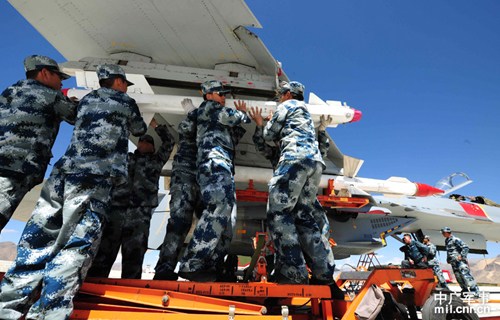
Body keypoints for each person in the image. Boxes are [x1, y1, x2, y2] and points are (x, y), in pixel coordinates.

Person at [0, 64, 146, 319]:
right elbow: (140, 129)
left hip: (62, 174)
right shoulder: (124, 101)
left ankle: (6, 309)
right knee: (77, 245)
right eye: (124, 82)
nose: (125, 87)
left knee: (37, 240)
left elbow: (75, 116)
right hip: (95, 178)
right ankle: (49, 313)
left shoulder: (87, 100)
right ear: (118, 82)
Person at [262, 81, 335, 286]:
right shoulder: (306, 112)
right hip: (315, 164)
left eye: (280, 95)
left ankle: (293, 271)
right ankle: (324, 273)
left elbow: (269, 135)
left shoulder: (287, 106)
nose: (279, 98)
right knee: (304, 216)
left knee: (279, 213)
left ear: (287, 94)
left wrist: (268, 121)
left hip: (294, 159)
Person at [177, 80, 250, 282]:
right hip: (214, 164)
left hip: (224, 167)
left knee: (228, 221)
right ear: (208, 95)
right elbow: (235, 117)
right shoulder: (211, 107)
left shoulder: (210, 115)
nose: (223, 96)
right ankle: (192, 263)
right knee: (219, 207)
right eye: (220, 93)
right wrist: (244, 114)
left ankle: (212, 266)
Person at [88, 118, 175, 279]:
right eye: (141, 141)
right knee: (104, 252)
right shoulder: (125, 159)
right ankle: (94, 285)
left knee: (134, 255)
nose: (144, 143)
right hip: (116, 210)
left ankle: (130, 288)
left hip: (140, 214)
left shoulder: (156, 161)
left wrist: (155, 126)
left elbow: (169, 141)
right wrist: (126, 127)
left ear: (153, 147)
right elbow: (113, 146)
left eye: (148, 142)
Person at [0, 55, 77, 232]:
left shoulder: (10, 91)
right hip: (16, 168)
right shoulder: (50, 95)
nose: (62, 84)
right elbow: (76, 116)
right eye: (59, 77)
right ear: (44, 73)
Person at [153, 99, 201, 281]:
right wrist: (192, 112)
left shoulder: (209, 133)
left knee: (206, 225)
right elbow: (186, 128)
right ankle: (165, 269)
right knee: (179, 224)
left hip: (201, 179)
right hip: (185, 177)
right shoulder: (189, 129)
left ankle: (195, 267)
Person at [441, 227, 480, 297]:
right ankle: (465, 291)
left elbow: (465, 247)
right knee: (458, 277)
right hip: (453, 262)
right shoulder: (446, 241)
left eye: (443, 232)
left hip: (460, 262)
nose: (442, 234)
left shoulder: (455, 239)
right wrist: (448, 258)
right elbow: (449, 251)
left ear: (447, 232)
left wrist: (462, 256)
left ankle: (475, 291)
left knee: (466, 276)